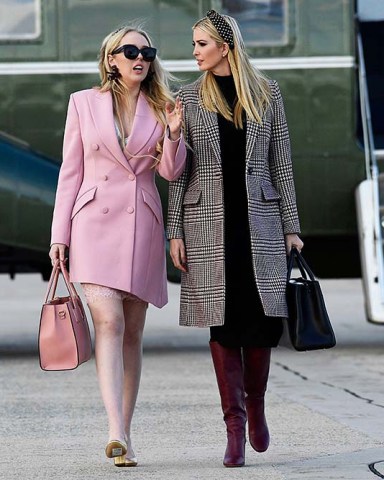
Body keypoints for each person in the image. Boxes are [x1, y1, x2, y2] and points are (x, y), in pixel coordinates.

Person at [167, 10, 304, 468]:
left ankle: (257, 403)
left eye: (201, 43)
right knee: (222, 324)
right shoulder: (186, 98)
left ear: (225, 46)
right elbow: (177, 175)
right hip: (206, 223)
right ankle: (235, 426)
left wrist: (291, 228)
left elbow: (281, 163)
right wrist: (175, 230)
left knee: (263, 321)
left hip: (260, 223)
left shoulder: (267, 93)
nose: (194, 51)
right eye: (194, 44)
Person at [49, 24, 186, 468]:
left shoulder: (163, 105)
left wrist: (175, 134)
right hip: (92, 224)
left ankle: (125, 433)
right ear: (111, 58)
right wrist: (59, 236)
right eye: (129, 51)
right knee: (107, 322)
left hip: (140, 226)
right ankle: (115, 432)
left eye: (146, 51)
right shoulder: (83, 104)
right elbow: (70, 174)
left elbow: (170, 172)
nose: (139, 58)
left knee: (132, 334)